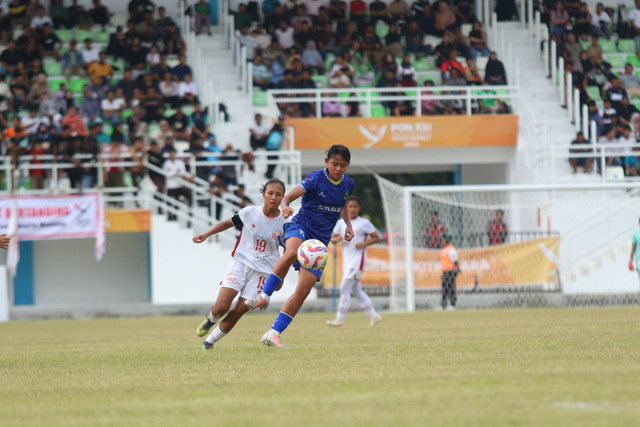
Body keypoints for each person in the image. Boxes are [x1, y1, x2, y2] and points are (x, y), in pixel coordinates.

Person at [245, 145, 355, 348]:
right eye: (334, 164)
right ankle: (264, 296)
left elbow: (343, 204)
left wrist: (348, 224)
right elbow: (288, 197)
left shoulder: (348, 184)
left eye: (343, 165)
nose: (338, 168)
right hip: (301, 226)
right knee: (292, 251)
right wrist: (285, 205)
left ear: (348, 165)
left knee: (303, 290)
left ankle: (273, 333)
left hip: (319, 242)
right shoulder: (315, 178)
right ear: (326, 162)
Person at [194, 179, 288, 350]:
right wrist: (206, 234)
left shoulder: (284, 224)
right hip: (240, 264)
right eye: (270, 193)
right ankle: (211, 319)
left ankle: (209, 342)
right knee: (221, 307)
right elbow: (226, 223)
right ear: (263, 195)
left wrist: (280, 277)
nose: (274, 197)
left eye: (278, 194)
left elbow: (287, 253)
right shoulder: (249, 212)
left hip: (262, 274)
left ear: (283, 198)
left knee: (238, 311)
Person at [326, 196, 382, 328]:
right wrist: (337, 239)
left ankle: (340, 319)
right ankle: (374, 316)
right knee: (356, 290)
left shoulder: (364, 223)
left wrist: (363, 244)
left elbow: (376, 237)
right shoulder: (341, 223)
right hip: (347, 260)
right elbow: (333, 238)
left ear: (359, 208)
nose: (352, 209)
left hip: (358, 261)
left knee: (344, 287)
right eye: (350, 206)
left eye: (355, 206)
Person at [440, 233, 459, 310]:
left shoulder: (451, 250)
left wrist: (457, 268)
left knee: (451, 287)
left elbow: (455, 260)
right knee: (445, 288)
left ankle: (452, 304)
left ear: (446, 241)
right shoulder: (444, 250)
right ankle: (444, 305)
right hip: (446, 271)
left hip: (451, 271)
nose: (441, 242)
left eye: (442, 240)